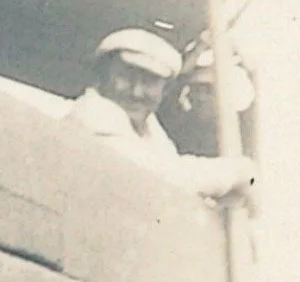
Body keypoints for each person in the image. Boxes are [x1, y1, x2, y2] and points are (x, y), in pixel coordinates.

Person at [69, 28, 256, 201]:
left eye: (149, 82)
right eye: (125, 77)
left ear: (164, 91)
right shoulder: (91, 116)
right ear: (101, 76)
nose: (137, 91)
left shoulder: (150, 131)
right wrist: (237, 173)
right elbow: (156, 174)